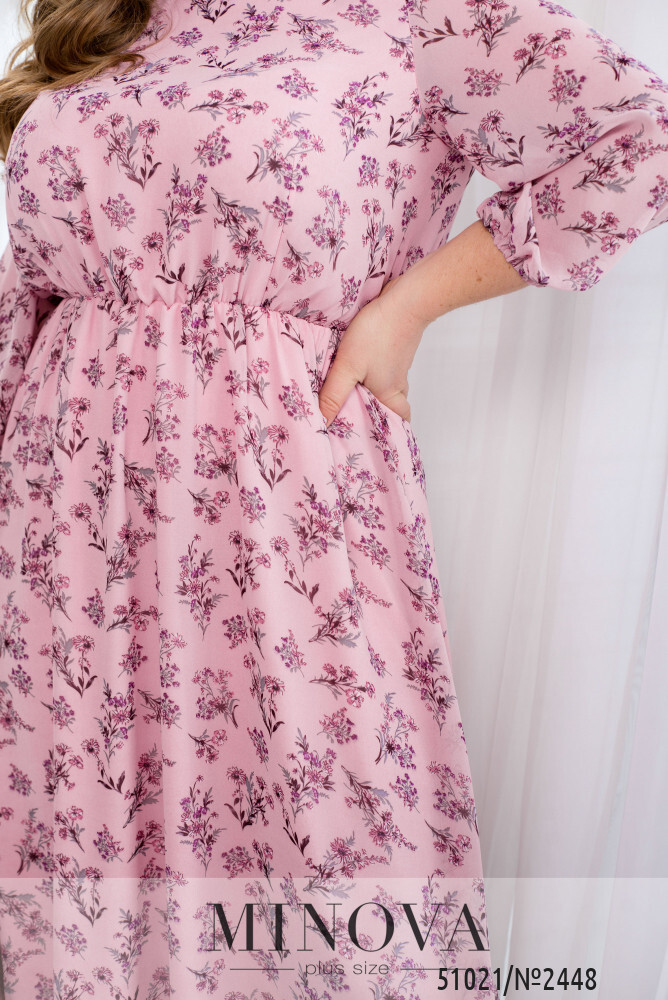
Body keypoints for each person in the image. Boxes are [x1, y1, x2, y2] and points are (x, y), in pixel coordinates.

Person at [0, 0, 666, 997]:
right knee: (82, 842)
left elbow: (640, 139)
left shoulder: (422, 15)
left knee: (312, 834)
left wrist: (407, 308)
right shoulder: (113, 16)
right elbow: (32, 289)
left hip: (276, 503)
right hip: (62, 516)